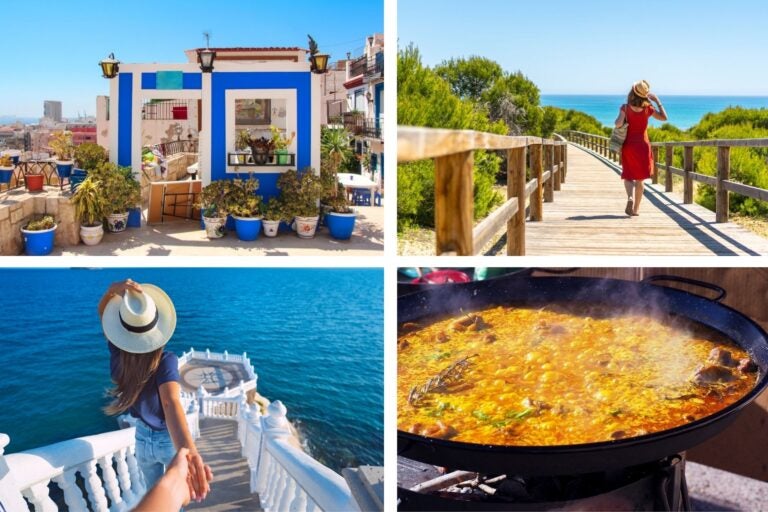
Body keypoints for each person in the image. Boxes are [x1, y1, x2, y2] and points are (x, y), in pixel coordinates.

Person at [99, 279, 212, 504]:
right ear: (157, 327)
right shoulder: (166, 361)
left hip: (141, 439)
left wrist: (114, 290)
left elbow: (101, 314)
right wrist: (189, 452)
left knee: (153, 491)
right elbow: (171, 403)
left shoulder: (116, 355)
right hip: (166, 440)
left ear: (120, 329)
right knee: (175, 499)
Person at [614, 80, 668, 216]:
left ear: (632, 92)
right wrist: (657, 100)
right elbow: (664, 118)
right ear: (644, 95)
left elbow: (618, 124)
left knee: (628, 176)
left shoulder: (625, 108)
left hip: (629, 146)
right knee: (640, 180)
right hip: (643, 147)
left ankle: (629, 197)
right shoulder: (648, 109)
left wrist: (623, 119)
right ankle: (636, 210)